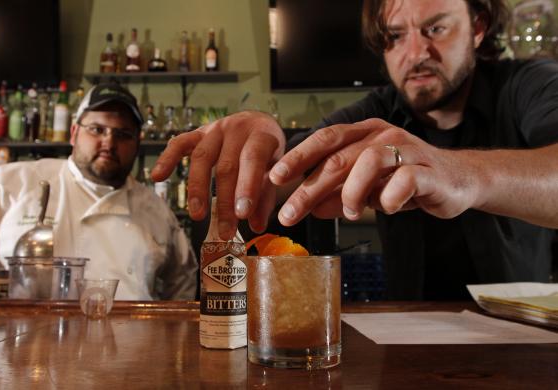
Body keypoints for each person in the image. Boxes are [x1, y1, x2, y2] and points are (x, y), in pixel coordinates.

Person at [152, 0, 558, 300]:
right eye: (395, 36)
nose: (415, 54)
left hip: (524, 337)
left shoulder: (529, 84)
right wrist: (263, 143)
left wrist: (461, 173)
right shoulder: (376, 114)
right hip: (404, 345)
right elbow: (283, 177)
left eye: (436, 29)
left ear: (478, 26)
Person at [0, 83, 198, 301]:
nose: (109, 142)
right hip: (28, 340)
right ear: (74, 133)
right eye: (97, 129)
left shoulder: (155, 210)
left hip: (131, 341)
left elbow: (183, 283)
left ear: (138, 142)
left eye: (123, 134)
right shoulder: (11, 183)